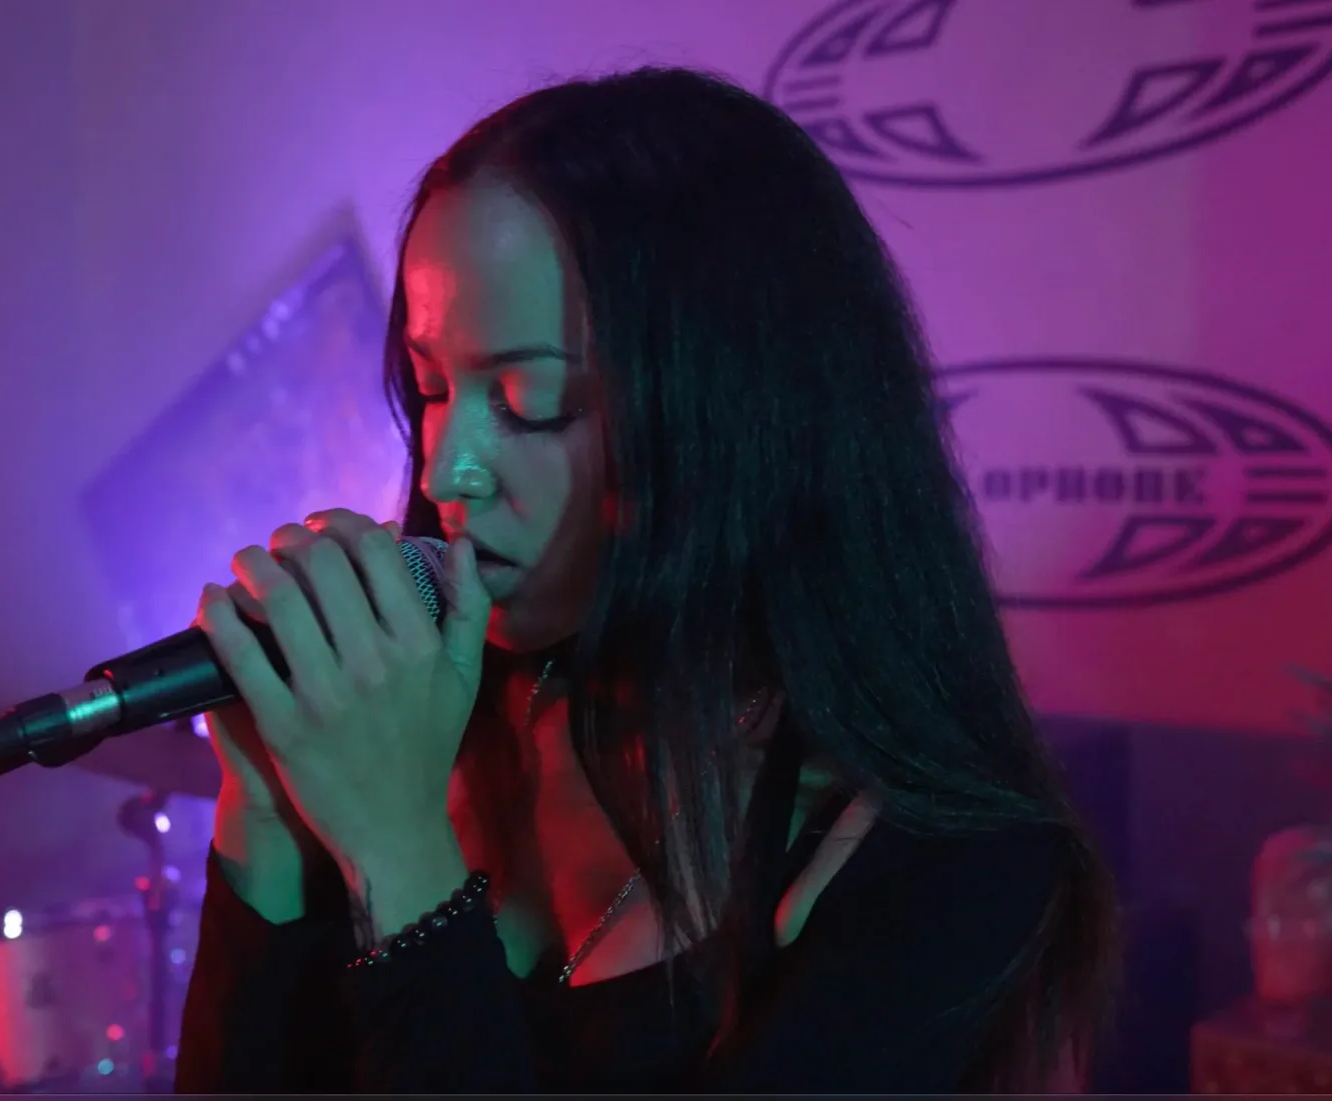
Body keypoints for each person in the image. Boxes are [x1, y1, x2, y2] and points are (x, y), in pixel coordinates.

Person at [173, 66, 1120, 1093]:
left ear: (734, 417)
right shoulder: (437, 727)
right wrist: (266, 819)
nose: (449, 470)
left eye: (535, 402)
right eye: (434, 387)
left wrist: (402, 860)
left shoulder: (944, 871)